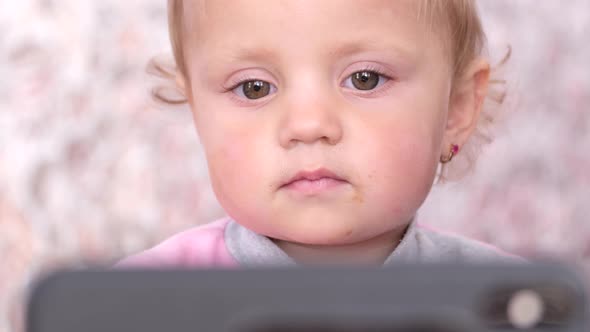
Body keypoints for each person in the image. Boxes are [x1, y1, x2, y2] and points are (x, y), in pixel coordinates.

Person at [118, 0, 521, 268]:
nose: (308, 125)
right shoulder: (139, 304)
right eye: (254, 87)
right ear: (197, 110)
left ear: (458, 106)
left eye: (365, 79)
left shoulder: (507, 301)